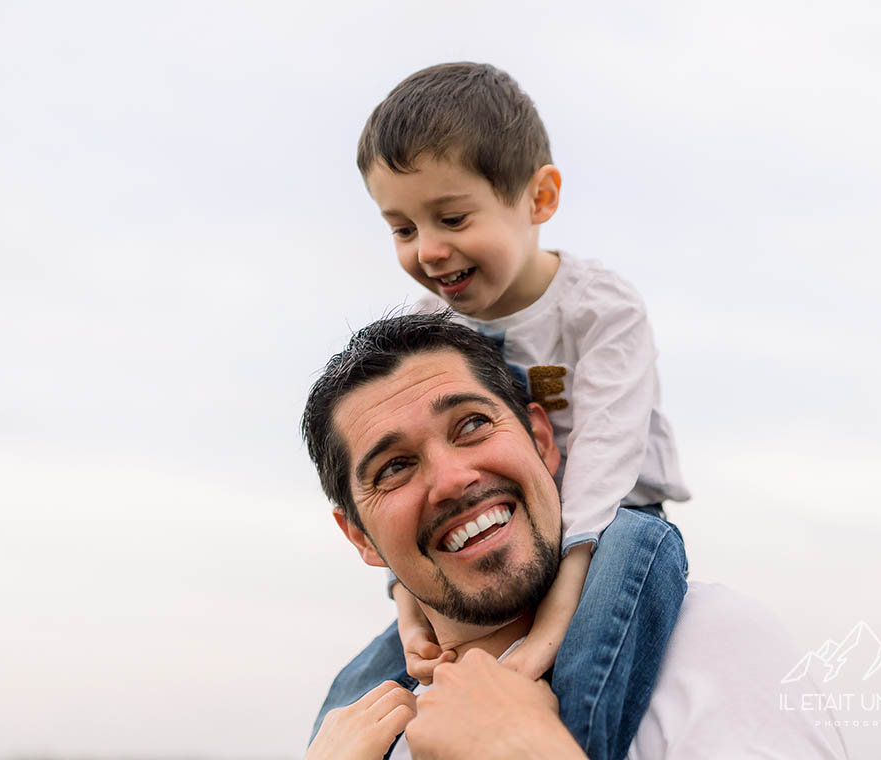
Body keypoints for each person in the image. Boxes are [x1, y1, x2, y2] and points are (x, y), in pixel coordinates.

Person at [301, 313, 848, 759]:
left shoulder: (709, 641)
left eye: (471, 424)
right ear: (360, 538)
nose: (451, 480)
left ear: (542, 439)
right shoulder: (358, 739)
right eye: (394, 467)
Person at [354, 61, 691, 744]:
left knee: (604, 612)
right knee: (365, 685)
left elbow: (604, 459)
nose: (430, 249)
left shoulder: (600, 310)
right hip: (498, 528)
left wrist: (545, 636)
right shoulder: (431, 331)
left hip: (615, 516)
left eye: (451, 217)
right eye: (402, 228)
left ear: (539, 199)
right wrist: (408, 607)